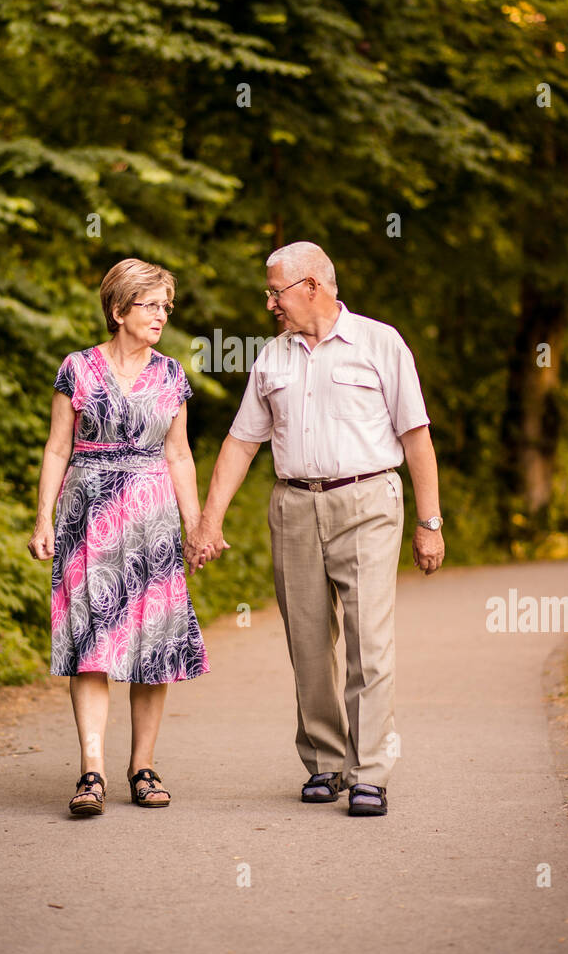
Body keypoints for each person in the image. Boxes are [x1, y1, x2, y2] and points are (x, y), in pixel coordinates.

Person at [186, 242, 444, 819]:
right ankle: (326, 762)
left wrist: (429, 523)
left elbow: (416, 436)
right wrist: (209, 520)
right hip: (294, 506)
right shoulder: (271, 358)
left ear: (311, 286)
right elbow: (241, 442)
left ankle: (370, 771)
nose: (270, 304)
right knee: (306, 641)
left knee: (368, 640)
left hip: (368, 501)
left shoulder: (380, 343)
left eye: (275, 292)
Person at [28, 258, 209, 816]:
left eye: (165, 306)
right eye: (150, 305)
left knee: (153, 644)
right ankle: (92, 772)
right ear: (118, 309)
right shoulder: (77, 369)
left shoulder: (172, 375)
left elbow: (179, 454)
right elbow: (57, 447)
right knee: (90, 644)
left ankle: (143, 767)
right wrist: (42, 517)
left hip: (153, 521)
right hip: (88, 517)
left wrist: (197, 525)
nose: (161, 315)